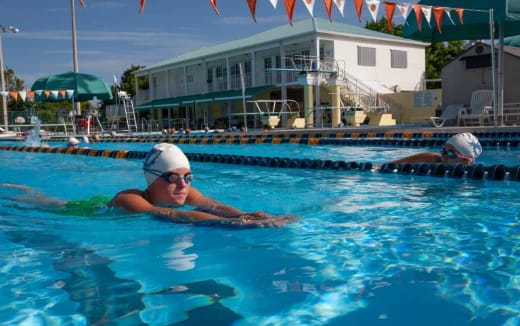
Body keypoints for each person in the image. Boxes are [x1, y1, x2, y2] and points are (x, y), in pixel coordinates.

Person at [108, 143, 295, 227]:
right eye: (173, 178)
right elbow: (172, 214)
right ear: (153, 179)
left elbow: (215, 206)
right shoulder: (130, 198)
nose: (183, 185)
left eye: (188, 177)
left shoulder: (187, 193)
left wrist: (248, 215)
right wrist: (230, 223)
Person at [386, 132, 482, 166]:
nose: (443, 156)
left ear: (466, 161)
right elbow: (398, 163)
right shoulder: (436, 159)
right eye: (443, 151)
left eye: (451, 154)